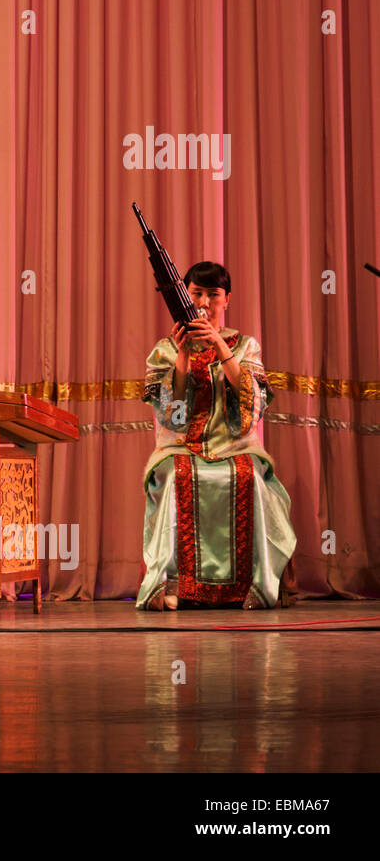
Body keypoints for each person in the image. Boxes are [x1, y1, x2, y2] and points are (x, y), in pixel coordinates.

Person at [137, 261, 296, 610]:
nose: (205, 303)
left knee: (249, 475)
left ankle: (254, 584)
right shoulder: (164, 348)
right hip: (180, 446)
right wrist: (182, 356)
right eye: (197, 294)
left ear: (227, 300)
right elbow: (172, 418)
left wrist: (221, 349)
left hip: (235, 443)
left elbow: (251, 405)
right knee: (174, 476)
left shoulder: (245, 345)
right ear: (186, 297)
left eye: (214, 295)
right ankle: (172, 585)